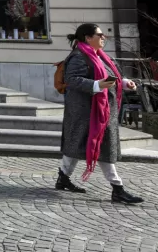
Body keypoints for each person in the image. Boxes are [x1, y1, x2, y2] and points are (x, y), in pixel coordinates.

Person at [55, 23, 144, 204]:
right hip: (86, 111)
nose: (103, 37)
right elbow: (72, 80)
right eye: (100, 35)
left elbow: (114, 76)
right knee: (101, 146)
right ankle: (117, 189)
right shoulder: (78, 56)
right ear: (88, 38)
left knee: (76, 144)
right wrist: (96, 85)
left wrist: (126, 83)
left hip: (102, 110)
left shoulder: (102, 56)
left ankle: (63, 178)